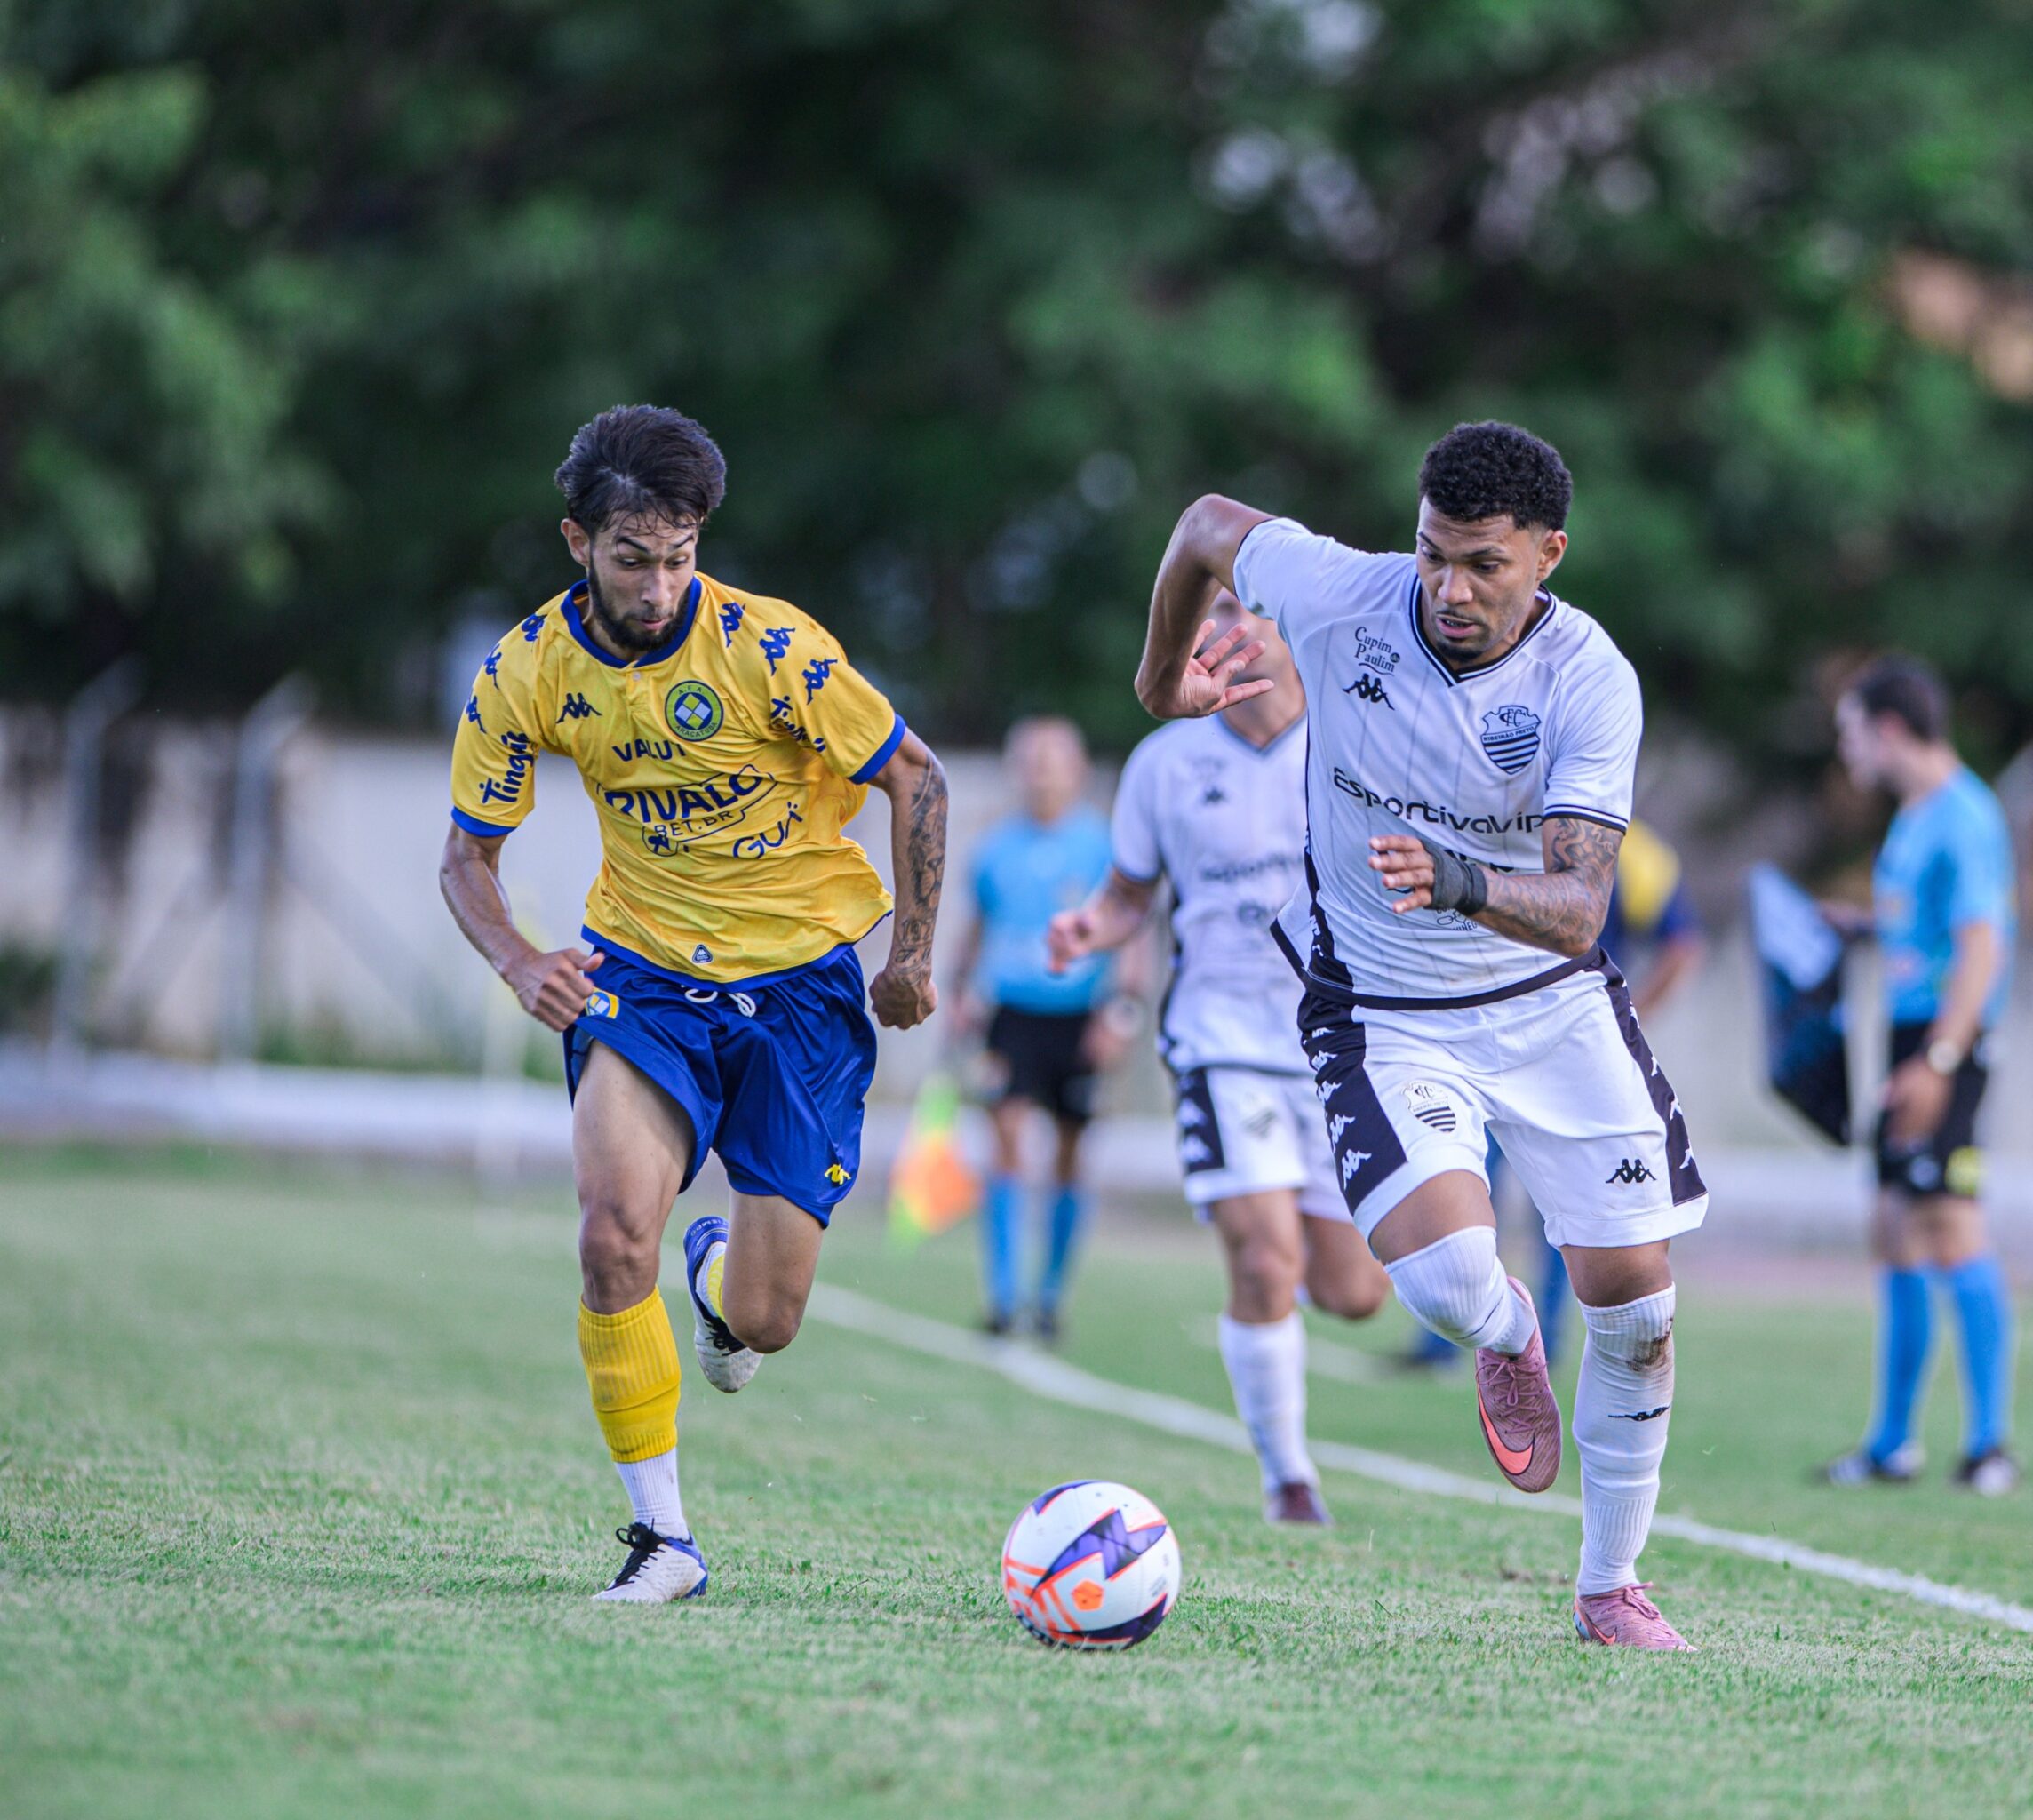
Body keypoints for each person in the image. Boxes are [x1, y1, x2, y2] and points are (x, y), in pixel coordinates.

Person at [1137, 420, 1709, 1649]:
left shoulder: (1588, 679)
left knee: (1637, 1310)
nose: (1449, 587)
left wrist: (1459, 880)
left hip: (1551, 1004)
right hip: (1381, 1010)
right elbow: (1203, 526)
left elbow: (1581, 910)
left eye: (1484, 565)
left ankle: (1610, 1586)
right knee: (1448, 1285)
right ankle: (1506, 1335)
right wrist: (1158, 678)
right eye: (1433, 554)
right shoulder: (1340, 593)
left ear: (1548, 555)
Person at [440, 405, 947, 1602]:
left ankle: (721, 1285)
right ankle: (663, 1538)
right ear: (578, 542)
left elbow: (915, 774)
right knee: (614, 1229)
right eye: (633, 559)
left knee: (767, 1323)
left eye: (680, 557)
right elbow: (466, 860)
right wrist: (519, 960)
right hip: (644, 975)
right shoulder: (525, 672)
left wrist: (912, 954)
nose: (660, 586)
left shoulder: (772, 649)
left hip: (802, 987)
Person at [1048, 593, 1389, 1524]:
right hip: (1220, 1041)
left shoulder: (1357, 743)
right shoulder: (1165, 762)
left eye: (1238, 606)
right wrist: (1091, 927)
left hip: (1342, 1047)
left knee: (1354, 1292)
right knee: (1265, 1259)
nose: (1217, 627)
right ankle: (1289, 1478)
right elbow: (1128, 896)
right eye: (1201, 613)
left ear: (1288, 620)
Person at [1406, 819, 1706, 1370]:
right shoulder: (1507, 827)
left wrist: (1629, 1017)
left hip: (1570, 1055)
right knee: (1468, 1189)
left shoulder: (1638, 855)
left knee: (1568, 1211)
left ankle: (1541, 1341)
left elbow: (1683, 946)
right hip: (1488, 1041)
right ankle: (1466, 1340)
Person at [1823, 655, 2019, 1496]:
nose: (1847, 751)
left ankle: (1989, 1448)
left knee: (1950, 1224)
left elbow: (1982, 946)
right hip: (1912, 1033)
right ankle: (1892, 1445)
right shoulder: (1916, 816)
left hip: (1949, 1040)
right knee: (1894, 1226)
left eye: (1851, 733)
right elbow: (1930, 929)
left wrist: (1940, 1060)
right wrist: (1864, 929)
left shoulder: (1967, 815)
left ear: (1891, 729)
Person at [949, 717, 1131, 1338]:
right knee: (1004, 1137)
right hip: (1011, 1015)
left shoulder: (1104, 846)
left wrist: (1122, 1011)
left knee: (1070, 1152)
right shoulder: (995, 847)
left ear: (1077, 770)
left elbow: (1132, 933)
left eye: (1053, 761)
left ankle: (1050, 1297)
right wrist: (958, 992)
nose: (1041, 773)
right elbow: (977, 927)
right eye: (1031, 761)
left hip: (1081, 1016)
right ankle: (1004, 1298)